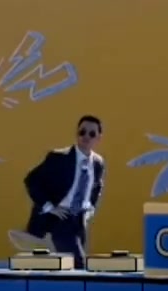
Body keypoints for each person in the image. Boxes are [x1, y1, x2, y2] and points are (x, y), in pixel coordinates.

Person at [10, 115, 106, 269]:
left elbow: (97, 186)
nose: (86, 136)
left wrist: (91, 208)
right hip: (60, 218)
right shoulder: (59, 158)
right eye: (82, 132)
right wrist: (49, 206)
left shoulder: (98, 163)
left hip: (79, 220)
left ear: (99, 138)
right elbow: (31, 180)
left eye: (92, 133)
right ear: (76, 133)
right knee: (78, 263)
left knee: (71, 266)